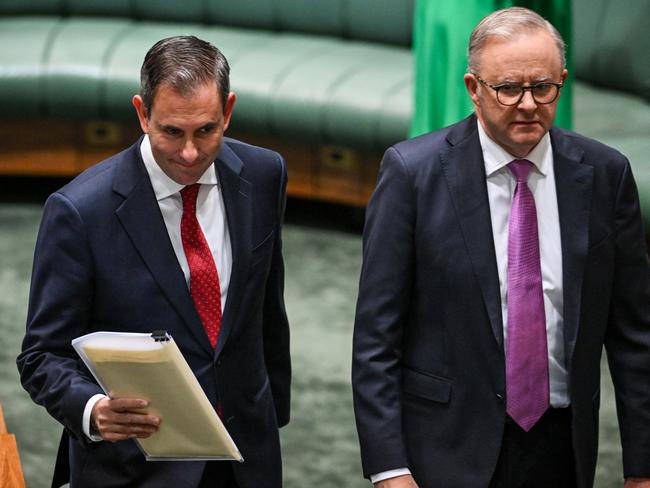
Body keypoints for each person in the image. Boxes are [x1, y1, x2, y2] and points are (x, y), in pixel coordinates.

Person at [352, 7, 650, 488]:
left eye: (543, 87)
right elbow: (376, 337)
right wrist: (390, 467)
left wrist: (642, 465)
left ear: (563, 82)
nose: (528, 104)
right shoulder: (412, 174)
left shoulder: (605, 175)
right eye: (508, 88)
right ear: (473, 89)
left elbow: (636, 335)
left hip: (562, 446)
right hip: (446, 447)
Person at [17, 35, 291, 488]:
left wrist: (270, 414)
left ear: (228, 111)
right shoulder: (81, 211)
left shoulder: (264, 175)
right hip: (135, 468)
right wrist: (94, 409)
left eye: (206, 130)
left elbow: (266, 312)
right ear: (143, 113)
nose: (189, 153)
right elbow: (42, 355)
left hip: (246, 458)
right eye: (171, 131)